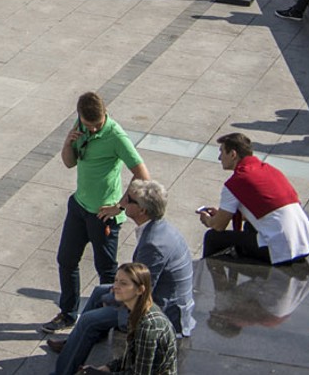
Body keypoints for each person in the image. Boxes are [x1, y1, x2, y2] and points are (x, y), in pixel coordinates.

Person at [46, 181, 196, 374]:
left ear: (141, 210)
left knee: (88, 320)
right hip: (157, 298)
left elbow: (141, 292)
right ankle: (76, 344)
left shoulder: (154, 244)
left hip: (162, 311)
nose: (123, 201)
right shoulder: (158, 228)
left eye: (129, 200)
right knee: (100, 291)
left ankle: (63, 371)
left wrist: (112, 297)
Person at [44, 93, 151, 335]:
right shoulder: (81, 126)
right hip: (79, 207)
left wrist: (120, 206)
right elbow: (69, 163)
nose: (92, 128)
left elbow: (143, 175)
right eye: (88, 123)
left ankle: (111, 319)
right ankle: (68, 313)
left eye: (97, 124)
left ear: (105, 114)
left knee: (107, 270)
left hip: (104, 215)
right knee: (66, 259)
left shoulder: (116, 136)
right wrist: (67, 143)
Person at [196, 132, 309, 265]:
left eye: (221, 152)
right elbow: (263, 211)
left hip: (281, 249)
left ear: (233, 154)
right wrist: (222, 214)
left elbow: (218, 226)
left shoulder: (236, 182)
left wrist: (208, 220)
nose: (219, 157)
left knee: (213, 237)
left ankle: (207, 279)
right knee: (249, 227)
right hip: (304, 242)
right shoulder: (268, 170)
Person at [76, 262, 176, 375]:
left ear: (140, 290)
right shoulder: (135, 309)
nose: (115, 287)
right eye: (116, 280)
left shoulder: (148, 326)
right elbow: (132, 356)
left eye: (123, 283)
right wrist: (108, 367)